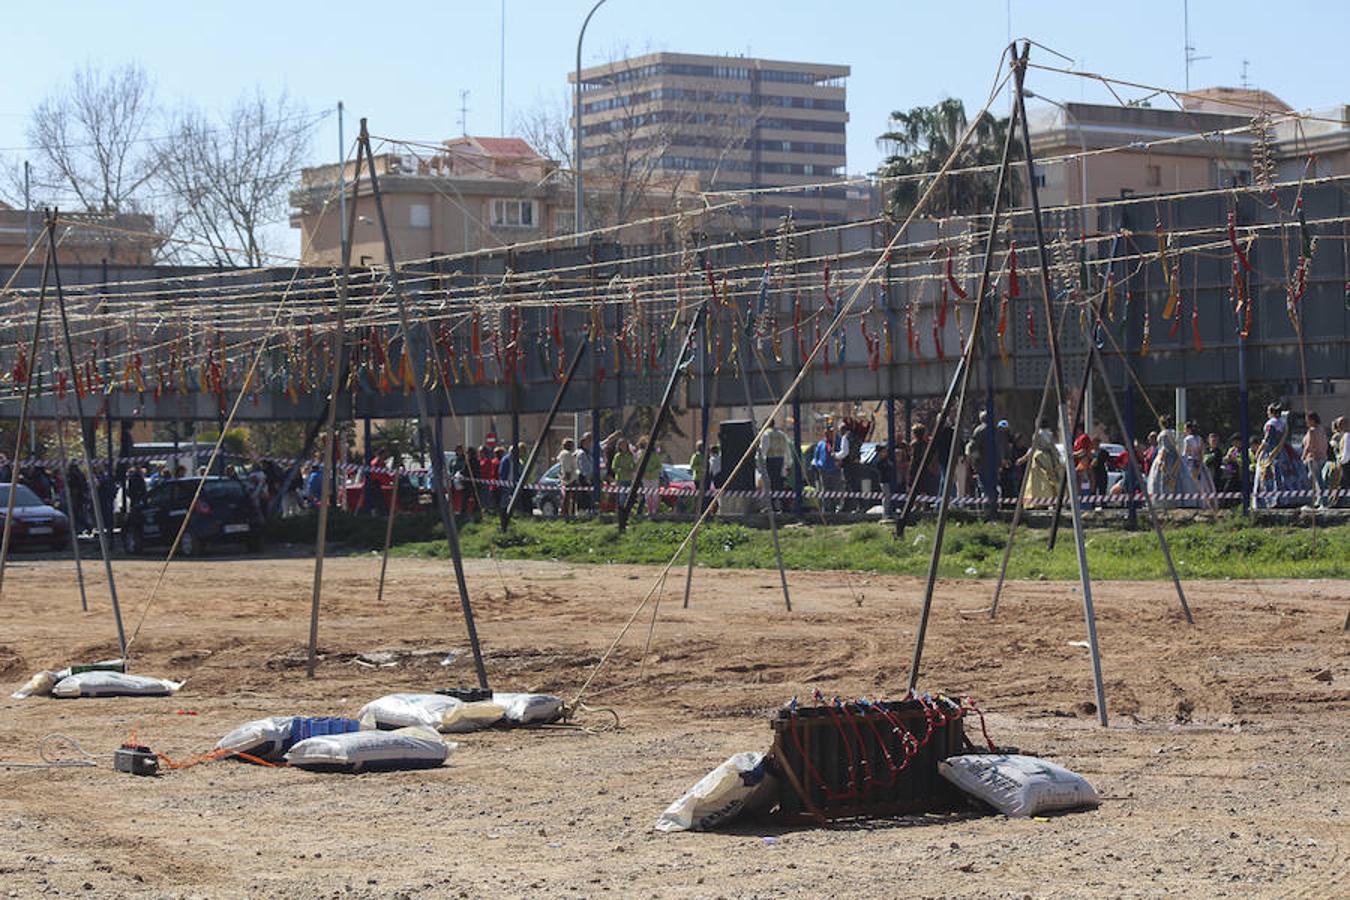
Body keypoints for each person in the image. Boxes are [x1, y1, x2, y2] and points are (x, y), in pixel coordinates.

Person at [1253, 403, 1306, 509]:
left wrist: (1259, 452)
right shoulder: (1283, 423)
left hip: (1272, 452)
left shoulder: (1270, 424)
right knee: (1285, 475)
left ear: (1272, 412)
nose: (1267, 413)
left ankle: (1273, 500)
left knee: (1270, 475)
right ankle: (1289, 499)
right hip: (1284, 451)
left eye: (1268, 411)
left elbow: (1267, 440)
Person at [1019, 417, 1063, 508]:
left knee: (1037, 482)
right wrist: (1058, 459)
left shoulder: (1036, 435)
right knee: (1051, 480)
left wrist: (1024, 458)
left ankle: (1037, 502)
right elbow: (1053, 448)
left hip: (1039, 459)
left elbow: (1033, 448)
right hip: (1050, 459)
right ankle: (1052, 500)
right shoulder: (1050, 434)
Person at [1146, 415, 1183, 508]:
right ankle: (1177, 502)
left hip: (1165, 458)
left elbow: (1163, 449)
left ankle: (1163, 502)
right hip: (1175, 457)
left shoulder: (1163, 434)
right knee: (1177, 479)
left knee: (1162, 479)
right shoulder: (1175, 432)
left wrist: (1160, 461)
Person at [1182, 421, 1217, 510]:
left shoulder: (1187, 439)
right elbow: (1202, 453)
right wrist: (1200, 462)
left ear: (1189, 429)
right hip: (1199, 463)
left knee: (1190, 482)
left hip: (1190, 462)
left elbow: (1185, 453)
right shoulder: (1199, 438)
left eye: (1185, 429)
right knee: (1203, 483)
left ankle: (1191, 502)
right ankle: (1203, 503)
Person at [1301, 412, 1329, 510]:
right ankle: (1318, 501)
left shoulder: (1311, 431)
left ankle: (1323, 502)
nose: (1306, 422)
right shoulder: (1322, 430)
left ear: (1312, 420)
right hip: (1322, 457)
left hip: (1313, 458)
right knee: (1314, 479)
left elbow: (1308, 446)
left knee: (1317, 481)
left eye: (1307, 420)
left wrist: (1302, 457)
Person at [811, 424, 841, 513]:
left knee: (835, 489)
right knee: (825, 490)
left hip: (835, 470)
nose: (829, 434)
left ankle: (834, 507)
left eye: (831, 432)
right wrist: (818, 466)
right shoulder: (821, 444)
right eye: (827, 432)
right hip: (824, 470)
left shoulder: (838, 442)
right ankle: (826, 509)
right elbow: (816, 457)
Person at [762, 419, 791, 502]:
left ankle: (772, 505)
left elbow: (763, 450)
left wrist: (759, 463)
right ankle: (783, 505)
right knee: (780, 483)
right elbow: (787, 450)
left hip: (770, 461)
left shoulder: (766, 434)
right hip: (781, 461)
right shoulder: (782, 434)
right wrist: (788, 464)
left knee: (771, 484)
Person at [556, 437, 579, 520]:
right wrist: (568, 477)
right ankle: (568, 515)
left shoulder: (563, 454)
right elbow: (567, 467)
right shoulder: (566, 454)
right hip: (570, 479)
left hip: (566, 478)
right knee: (569, 498)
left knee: (566, 498)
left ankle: (566, 513)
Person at [575, 433, 594, 513]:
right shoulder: (581, 453)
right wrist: (587, 477)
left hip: (590, 476)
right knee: (583, 495)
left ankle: (588, 511)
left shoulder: (589, 453)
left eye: (590, 441)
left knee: (588, 496)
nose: (589, 443)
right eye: (587, 441)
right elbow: (582, 467)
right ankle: (582, 512)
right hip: (583, 477)